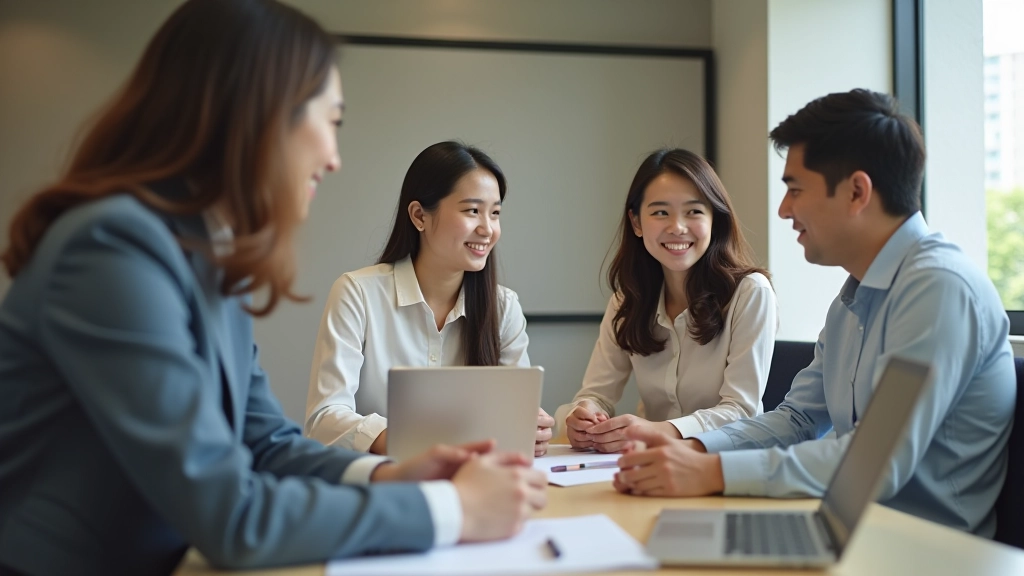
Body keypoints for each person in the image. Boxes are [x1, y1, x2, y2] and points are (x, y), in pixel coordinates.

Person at [0, 1, 547, 574]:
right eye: (330, 122)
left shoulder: (205, 256)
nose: (334, 159)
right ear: (260, 114)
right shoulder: (112, 249)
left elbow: (264, 444)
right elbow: (230, 515)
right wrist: (449, 510)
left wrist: (391, 473)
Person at [613, 89, 1016, 538]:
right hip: (845, 528)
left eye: (795, 189)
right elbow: (799, 420)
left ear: (857, 191)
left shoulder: (940, 289)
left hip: (922, 550)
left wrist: (712, 473)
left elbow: (874, 463)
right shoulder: (853, 299)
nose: (784, 210)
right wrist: (691, 445)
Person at [305, 141, 555, 457]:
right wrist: (420, 446)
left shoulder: (503, 307)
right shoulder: (357, 293)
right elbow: (325, 419)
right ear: (419, 216)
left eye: (495, 213)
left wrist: (529, 430)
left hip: (476, 485)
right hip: (384, 485)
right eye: (472, 211)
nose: (487, 229)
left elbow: (514, 422)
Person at [554, 148, 778, 453]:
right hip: (651, 465)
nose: (677, 227)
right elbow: (597, 394)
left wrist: (658, 431)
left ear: (715, 219)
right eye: (660, 212)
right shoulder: (626, 301)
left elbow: (741, 411)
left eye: (694, 211)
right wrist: (582, 416)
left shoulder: (751, 293)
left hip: (726, 466)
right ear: (636, 222)